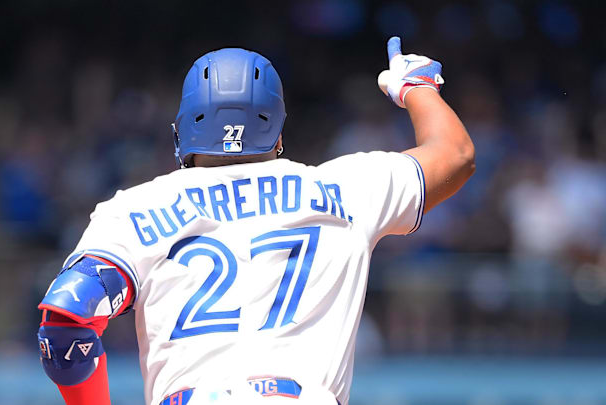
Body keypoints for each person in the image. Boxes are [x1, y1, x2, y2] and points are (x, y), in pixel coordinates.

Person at [36, 37, 475, 405]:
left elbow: (67, 321)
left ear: (181, 133)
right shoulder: (349, 187)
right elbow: (455, 155)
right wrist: (416, 87)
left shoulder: (132, 209)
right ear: (279, 133)